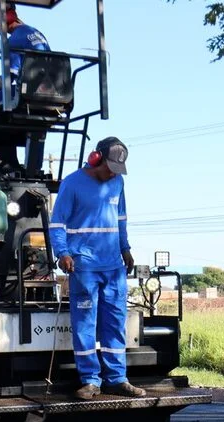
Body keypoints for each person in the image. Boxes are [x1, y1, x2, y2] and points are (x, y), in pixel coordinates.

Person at [48, 136, 143, 399]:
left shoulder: (118, 182)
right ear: (95, 158)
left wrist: (125, 248)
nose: (111, 173)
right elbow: (57, 224)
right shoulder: (73, 183)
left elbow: (121, 217)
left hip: (113, 267)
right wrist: (63, 252)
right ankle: (91, 380)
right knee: (85, 325)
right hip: (84, 266)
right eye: (108, 167)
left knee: (115, 323)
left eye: (116, 169)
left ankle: (117, 379)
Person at [0, 1, 51, 168]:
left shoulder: (14, 40)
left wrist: (1, 81)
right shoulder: (35, 33)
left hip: (27, 93)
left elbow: (11, 74)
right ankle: (33, 167)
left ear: (8, 16)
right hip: (49, 94)